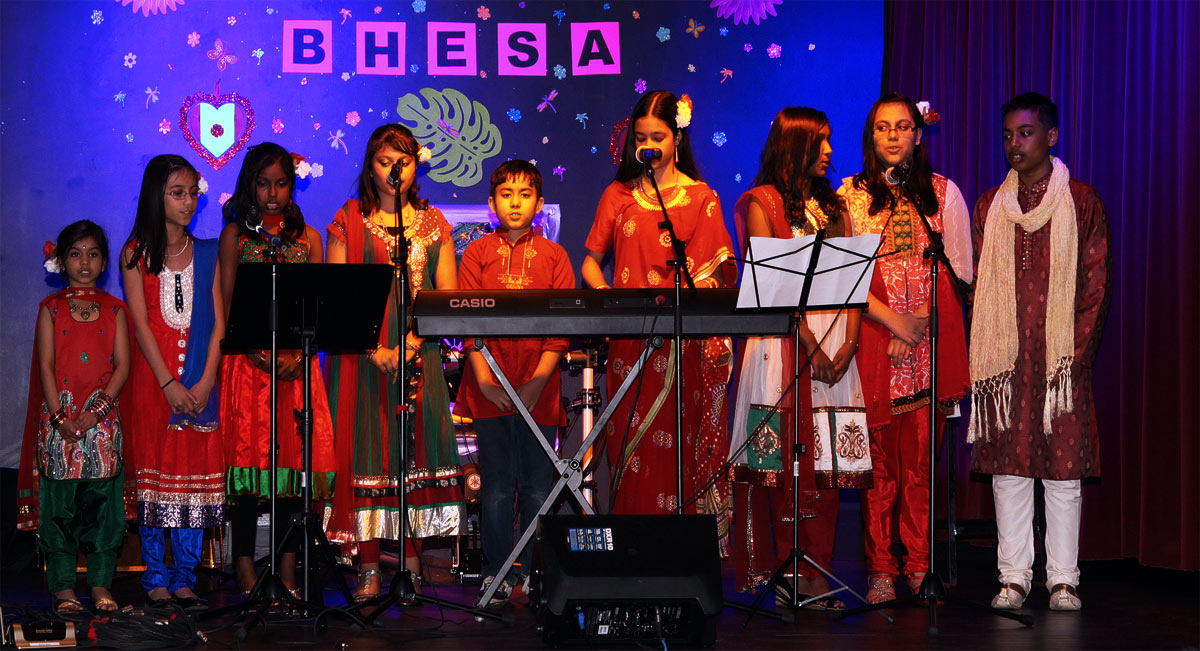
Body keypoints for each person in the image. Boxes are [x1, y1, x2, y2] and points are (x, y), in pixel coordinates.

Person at [728, 107, 876, 609]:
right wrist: (809, 346)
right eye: (822, 141)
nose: (831, 151)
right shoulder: (762, 203)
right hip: (782, 345)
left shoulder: (835, 207)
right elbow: (772, 291)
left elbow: (855, 282)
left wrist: (848, 345)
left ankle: (820, 570)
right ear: (795, 145)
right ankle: (787, 571)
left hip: (835, 346)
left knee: (826, 466)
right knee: (782, 462)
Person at [968, 92, 1111, 611]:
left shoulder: (1083, 202)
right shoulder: (990, 206)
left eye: (1024, 133)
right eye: (1006, 135)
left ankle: (1064, 579)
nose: (1013, 144)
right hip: (1004, 363)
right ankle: (1013, 578)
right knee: (1009, 470)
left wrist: (1071, 357)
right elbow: (978, 285)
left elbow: (1095, 286)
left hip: (1060, 362)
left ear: (1050, 137)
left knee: (1063, 471)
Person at [582, 90, 738, 534]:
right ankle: (635, 555)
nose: (648, 145)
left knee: (676, 448)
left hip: (681, 342)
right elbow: (591, 262)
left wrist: (700, 287)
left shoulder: (700, 197)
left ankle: (677, 555)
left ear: (677, 140)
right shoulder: (618, 196)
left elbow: (721, 271)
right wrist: (609, 298)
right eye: (641, 137)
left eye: (658, 137)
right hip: (629, 341)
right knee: (630, 450)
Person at [839, 93, 972, 603]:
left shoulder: (942, 194)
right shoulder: (847, 198)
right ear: (870, 139)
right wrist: (894, 325)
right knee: (878, 469)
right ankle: (879, 569)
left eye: (902, 127)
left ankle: (919, 565)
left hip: (927, 345)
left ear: (919, 135)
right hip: (874, 344)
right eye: (881, 128)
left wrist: (919, 328)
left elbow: (960, 273)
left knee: (919, 467)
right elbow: (844, 279)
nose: (892, 136)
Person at [324, 124, 464, 603]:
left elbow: (445, 295)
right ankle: (367, 569)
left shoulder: (432, 223)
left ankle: (410, 567)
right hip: (363, 361)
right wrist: (375, 350)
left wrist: (409, 342)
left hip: (416, 357)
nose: (392, 171)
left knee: (411, 458)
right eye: (384, 162)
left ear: (415, 166)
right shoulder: (348, 220)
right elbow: (338, 300)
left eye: (401, 162)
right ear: (370, 166)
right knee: (368, 457)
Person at [454, 160, 575, 606]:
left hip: (538, 390)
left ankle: (537, 572)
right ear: (491, 204)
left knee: (539, 487)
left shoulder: (556, 257)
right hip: (489, 387)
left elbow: (560, 330)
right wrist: (485, 382)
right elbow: (467, 323)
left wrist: (539, 381)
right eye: (506, 194)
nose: (515, 202)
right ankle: (497, 571)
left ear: (540, 205)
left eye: (525, 195)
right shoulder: (476, 254)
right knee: (498, 485)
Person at [218, 143, 336, 597]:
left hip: (296, 367)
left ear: (293, 185)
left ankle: (288, 569)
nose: (272, 193)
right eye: (263, 183)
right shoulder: (235, 236)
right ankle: (245, 567)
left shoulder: (308, 238)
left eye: (281, 183)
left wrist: (299, 358)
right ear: (250, 184)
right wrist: (254, 351)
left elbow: (317, 310)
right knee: (249, 472)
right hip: (248, 366)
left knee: (293, 472)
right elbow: (228, 304)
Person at [120, 154, 227, 610]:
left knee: (192, 479)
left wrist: (204, 384)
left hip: (201, 382)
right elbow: (141, 326)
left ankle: (185, 575)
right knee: (156, 478)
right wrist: (168, 384)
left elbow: (221, 325)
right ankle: (156, 577)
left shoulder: (209, 252)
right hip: (151, 385)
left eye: (192, 192)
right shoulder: (134, 253)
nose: (188, 201)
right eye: (177, 193)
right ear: (156, 196)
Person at [16, 221, 130, 615]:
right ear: (62, 261)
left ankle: (100, 586)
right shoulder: (50, 308)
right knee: (58, 512)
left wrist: (95, 413)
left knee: (105, 513)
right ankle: (63, 589)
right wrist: (61, 417)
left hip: (102, 424)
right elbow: (46, 366)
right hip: (59, 422)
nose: (85, 261)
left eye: (93, 253)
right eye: (76, 254)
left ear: (103, 263)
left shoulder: (117, 309)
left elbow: (123, 367)